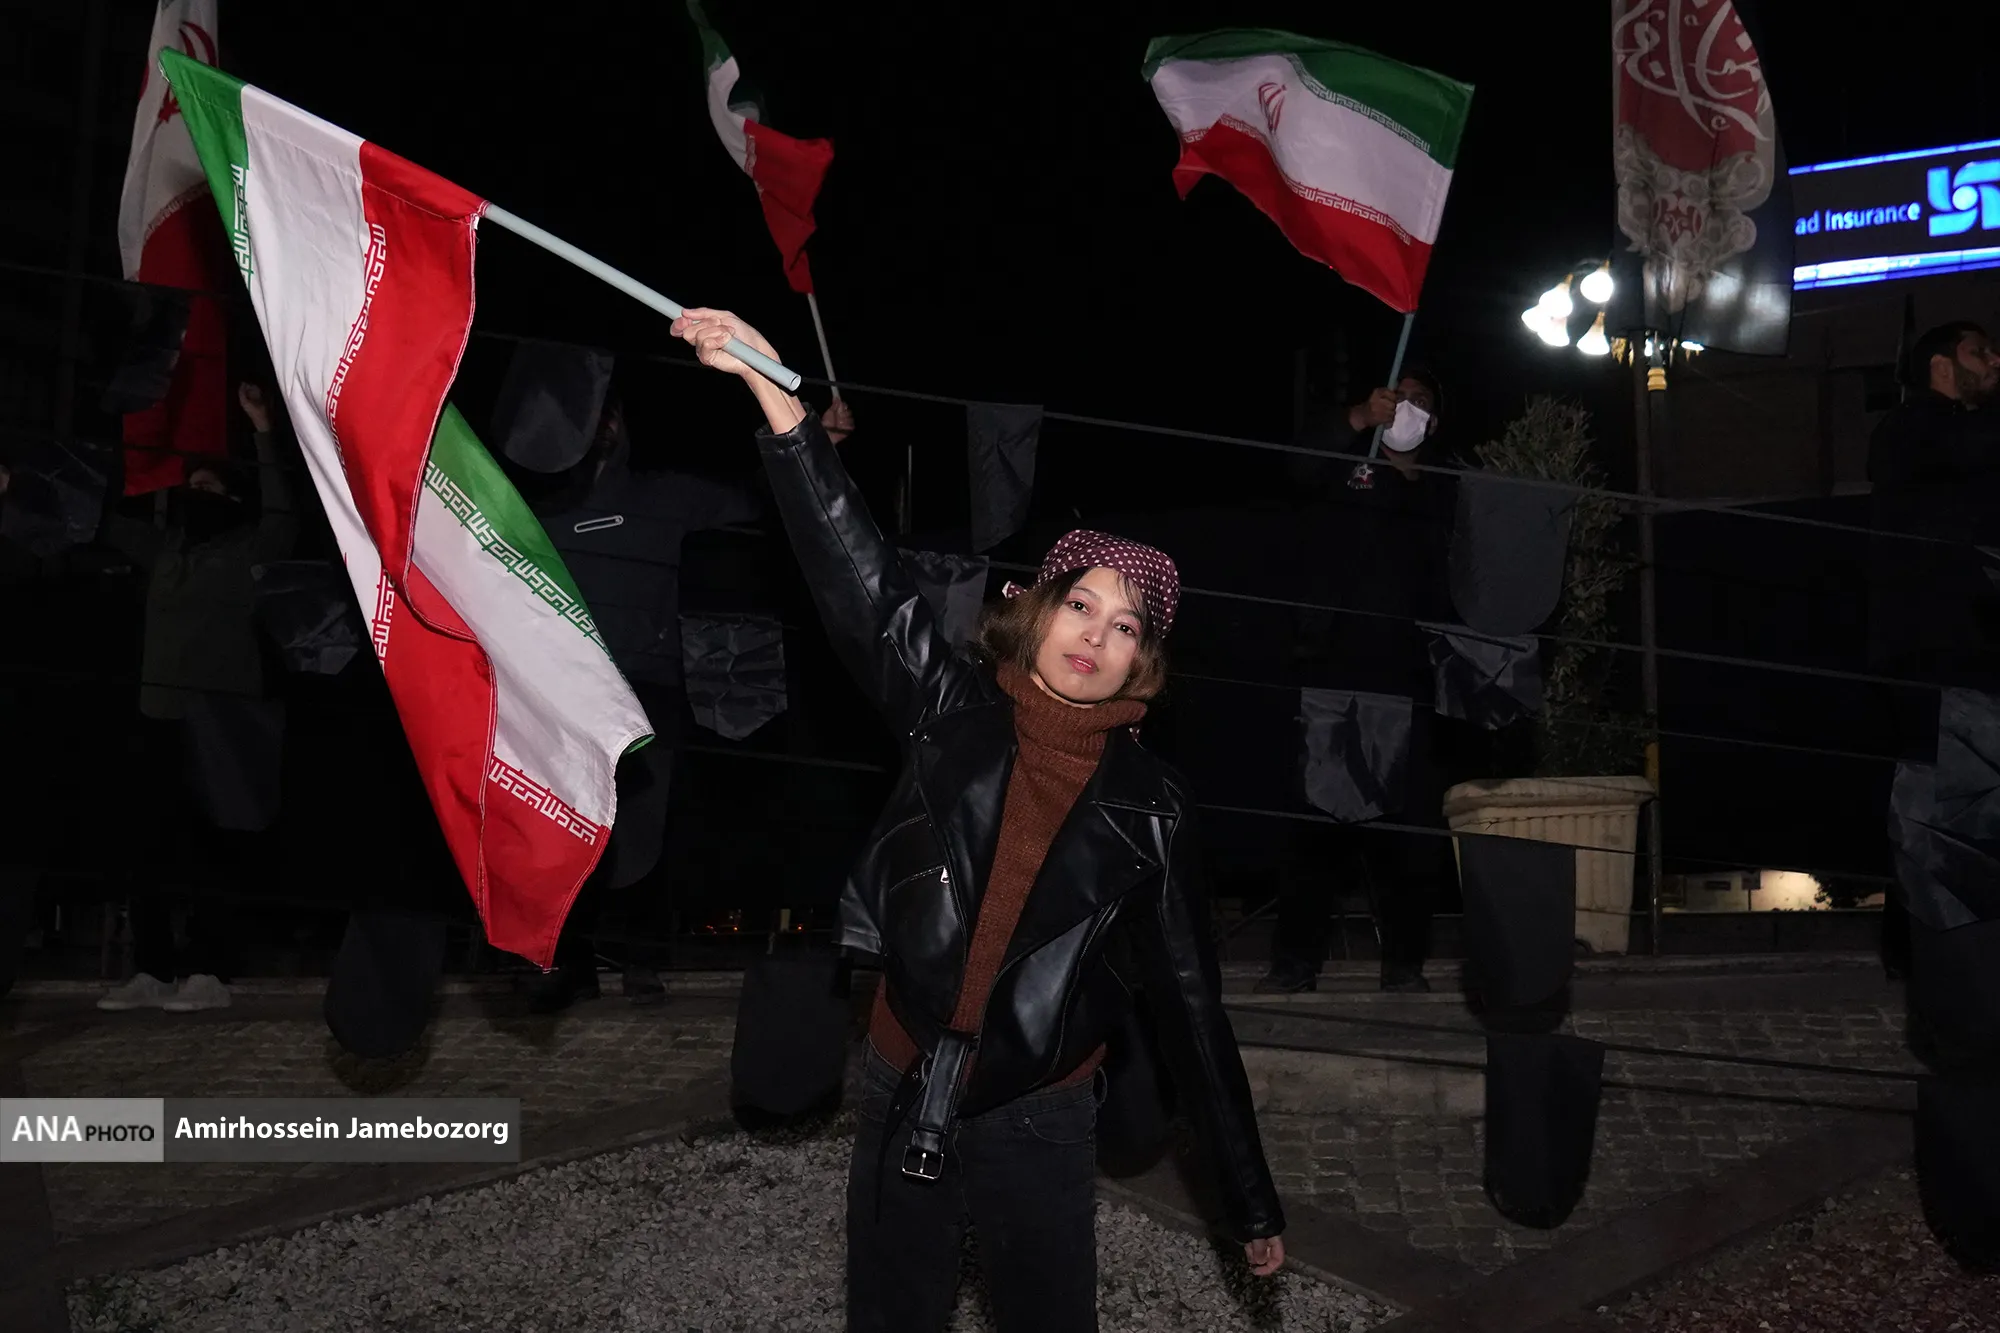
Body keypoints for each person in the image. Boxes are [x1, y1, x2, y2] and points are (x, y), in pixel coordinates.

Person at [671, 307, 1285, 1330]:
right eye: (1079, 604)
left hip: (1040, 1110)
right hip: (900, 1068)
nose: (1095, 634)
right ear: (1035, 613)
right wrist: (772, 392)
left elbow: (1191, 1006)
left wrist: (1247, 1195)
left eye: (1124, 625)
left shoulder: (1155, 807)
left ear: (1142, 661)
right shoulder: (947, 707)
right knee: (892, 1314)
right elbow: (861, 580)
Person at [516, 393, 855, 1010]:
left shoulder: (660, 495)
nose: (598, 424)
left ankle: (641, 961)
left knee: (645, 830)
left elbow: (756, 499)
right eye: (585, 414)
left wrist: (812, 447)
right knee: (565, 829)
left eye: (608, 413)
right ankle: (569, 965)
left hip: (646, 693)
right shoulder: (526, 506)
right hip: (558, 695)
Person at [94, 383, 298, 1012]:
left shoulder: (248, 550)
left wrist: (262, 427)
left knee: (216, 845)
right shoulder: (166, 550)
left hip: (222, 722)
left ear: (232, 501)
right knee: (148, 846)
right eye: (191, 488)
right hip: (157, 717)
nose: (195, 496)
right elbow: (99, 521)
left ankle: (210, 970)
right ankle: (152, 970)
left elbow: (283, 513)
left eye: (208, 489)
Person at [1261, 369, 1458, 993]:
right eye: (1399, 397)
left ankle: (1403, 965)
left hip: (1412, 682)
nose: (1407, 408)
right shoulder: (1349, 471)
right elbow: (1297, 467)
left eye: (1421, 403)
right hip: (1330, 670)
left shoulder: (1444, 489)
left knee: (1407, 833)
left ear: (1433, 422)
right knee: (1316, 824)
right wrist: (1356, 419)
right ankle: (1295, 964)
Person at [1867, 321, 2000, 979]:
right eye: (1981, 351)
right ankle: (1926, 945)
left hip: (1964, 648)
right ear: (1943, 366)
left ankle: (1937, 945)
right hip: (1931, 650)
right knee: (1929, 792)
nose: (1994, 361)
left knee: (1963, 795)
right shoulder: (1915, 430)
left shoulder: (1953, 437)